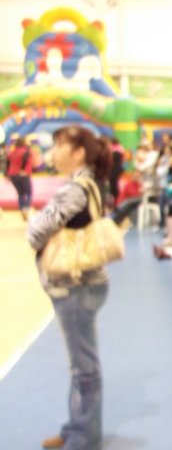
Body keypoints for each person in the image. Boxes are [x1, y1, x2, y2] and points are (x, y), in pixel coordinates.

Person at [27, 125, 113, 450]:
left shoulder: (75, 189)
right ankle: (78, 427)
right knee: (82, 364)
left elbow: (36, 232)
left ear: (78, 152)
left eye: (58, 145)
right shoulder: (90, 183)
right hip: (87, 282)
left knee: (83, 367)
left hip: (76, 284)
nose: (52, 152)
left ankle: (83, 437)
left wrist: (34, 220)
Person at [6, 136, 33, 221]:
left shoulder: (11, 152)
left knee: (20, 193)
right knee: (28, 192)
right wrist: (22, 169)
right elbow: (25, 160)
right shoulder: (26, 151)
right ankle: (26, 208)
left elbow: (8, 163)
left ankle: (21, 209)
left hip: (12, 174)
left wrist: (7, 174)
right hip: (23, 174)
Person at [108, 138, 124, 208]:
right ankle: (116, 201)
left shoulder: (113, 151)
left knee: (113, 185)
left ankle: (115, 201)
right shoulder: (120, 149)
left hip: (114, 170)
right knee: (115, 185)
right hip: (118, 169)